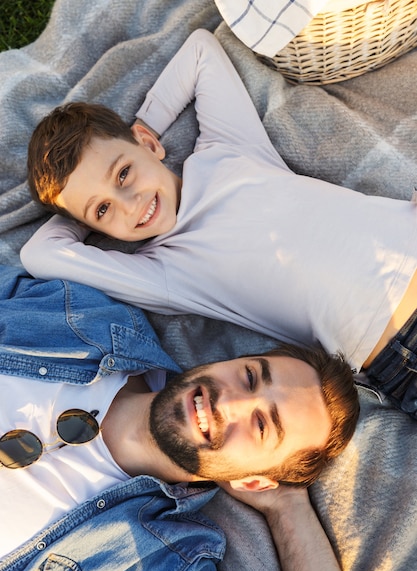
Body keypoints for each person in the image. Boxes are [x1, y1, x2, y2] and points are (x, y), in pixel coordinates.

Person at [20, 30, 417, 420]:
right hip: (400, 345)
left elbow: (200, 51)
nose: (130, 203)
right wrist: (75, 210)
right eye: (103, 210)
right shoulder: (164, 271)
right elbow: (40, 254)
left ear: (149, 145)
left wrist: (147, 125)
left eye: (123, 173)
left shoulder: (226, 150)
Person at [0, 265, 359, 571]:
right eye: (249, 376)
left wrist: (289, 510)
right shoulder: (90, 319)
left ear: (252, 480)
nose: (229, 402)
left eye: (261, 425)